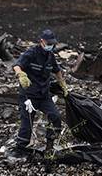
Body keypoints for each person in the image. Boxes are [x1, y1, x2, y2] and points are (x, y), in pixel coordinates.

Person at [10, 28, 69, 159]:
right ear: (42, 41)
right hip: (29, 96)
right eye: (48, 43)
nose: (50, 46)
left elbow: (57, 70)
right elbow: (17, 65)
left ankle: (50, 145)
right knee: (27, 124)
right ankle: (19, 149)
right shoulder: (31, 53)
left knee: (55, 117)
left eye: (52, 44)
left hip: (44, 95)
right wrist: (21, 74)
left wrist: (62, 84)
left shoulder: (50, 56)